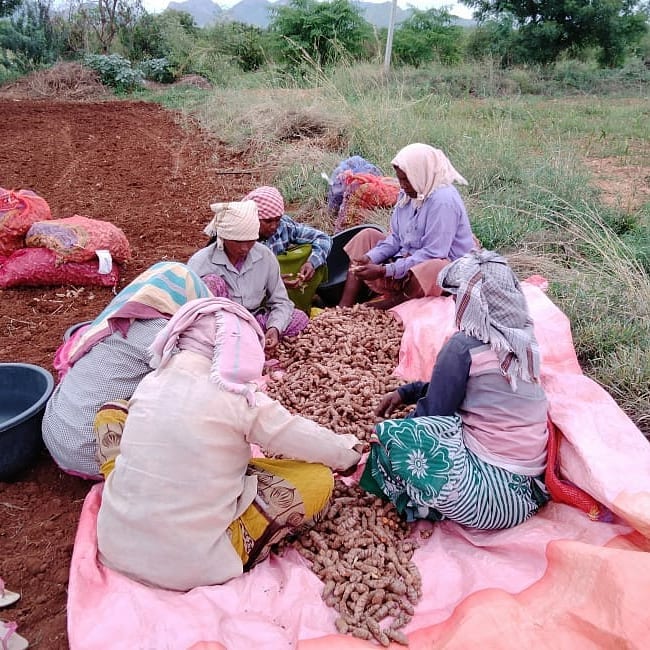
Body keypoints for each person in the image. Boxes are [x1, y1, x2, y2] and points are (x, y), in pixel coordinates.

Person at [95, 297, 363, 591]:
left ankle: (122, 480)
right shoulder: (240, 398)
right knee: (317, 479)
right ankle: (233, 540)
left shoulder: (151, 382)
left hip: (114, 545)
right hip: (193, 565)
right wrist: (348, 454)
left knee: (112, 412)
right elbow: (298, 434)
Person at [360, 250, 549, 530]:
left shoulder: (462, 346)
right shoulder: (523, 340)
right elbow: (471, 389)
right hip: (528, 492)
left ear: (470, 302)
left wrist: (390, 440)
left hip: (487, 499)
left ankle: (422, 504)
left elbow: (434, 413)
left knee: (393, 439)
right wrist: (407, 392)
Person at [42, 262, 212, 480]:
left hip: (56, 430)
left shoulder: (120, 315)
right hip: (90, 450)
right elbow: (194, 381)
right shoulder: (159, 333)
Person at [338, 143, 476, 309]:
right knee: (366, 235)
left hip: (444, 271)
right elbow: (396, 238)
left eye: (406, 179)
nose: (402, 185)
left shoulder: (443, 202)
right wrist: (369, 258)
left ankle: (393, 303)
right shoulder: (409, 193)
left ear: (420, 174)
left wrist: (384, 270)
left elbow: (434, 253)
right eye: (400, 178)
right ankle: (343, 307)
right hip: (411, 259)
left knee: (434, 267)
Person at [187, 200, 308, 351]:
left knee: (299, 318)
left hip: (253, 321)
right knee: (212, 282)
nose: (244, 248)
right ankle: (232, 345)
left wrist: (274, 328)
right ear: (223, 237)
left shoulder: (265, 256)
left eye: (250, 241)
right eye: (238, 242)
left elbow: (281, 301)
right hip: (218, 326)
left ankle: (250, 340)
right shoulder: (201, 262)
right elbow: (188, 311)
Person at [243, 185, 332, 314]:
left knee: (310, 250)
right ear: (253, 218)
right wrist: (272, 284)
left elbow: (323, 238)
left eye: (277, 220)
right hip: (248, 295)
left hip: (277, 284)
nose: (274, 226)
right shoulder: (240, 238)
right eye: (268, 221)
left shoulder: (283, 226)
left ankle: (302, 303)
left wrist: (312, 263)